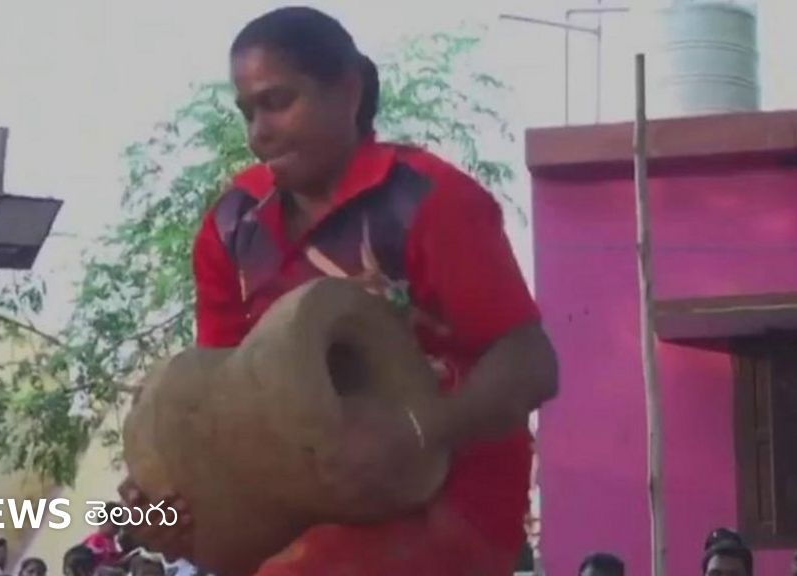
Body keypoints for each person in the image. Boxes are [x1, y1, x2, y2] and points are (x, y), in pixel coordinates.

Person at [118, 6, 558, 575]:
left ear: (348, 92)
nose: (259, 132)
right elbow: (220, 404)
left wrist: (418, 433)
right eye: (248, 112)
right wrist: (168, 511)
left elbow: (532, 362)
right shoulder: (231, 225)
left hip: (449, 505)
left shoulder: (429, 199)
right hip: (299, 509)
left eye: (278, 102)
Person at [82, 502, 126, 568]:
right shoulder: (96, 540)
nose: (117, 531)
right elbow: (99, 562)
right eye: (115, 526)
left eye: (119, 527)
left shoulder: (111, 541)